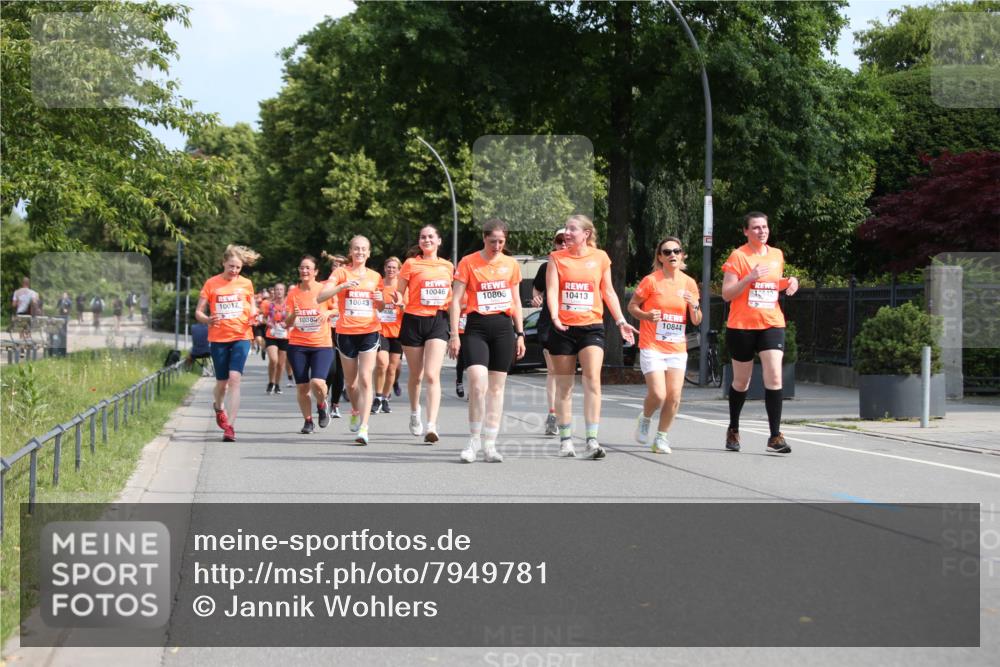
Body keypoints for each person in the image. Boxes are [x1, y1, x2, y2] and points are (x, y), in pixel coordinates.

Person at [546, 214, 638, 460]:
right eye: (566, 228)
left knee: (592, 380)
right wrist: (555, 317)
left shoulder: (599, 258)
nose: (567, 233)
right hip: (563, 329)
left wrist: (620, 321)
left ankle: (592, 440)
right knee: (564, 385)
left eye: (572, 229)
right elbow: (552, 290)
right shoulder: (556, 258)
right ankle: (566, 440)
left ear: (586, 234)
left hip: (592, 327)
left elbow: (608, 291)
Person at [721, 212, 798, 454]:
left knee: (774, 376)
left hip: (771, 323)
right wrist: (749, 278)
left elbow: (773, 284)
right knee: (741, 381)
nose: (761, 231)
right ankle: (733, 428)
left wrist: (790, 282)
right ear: (746, 231)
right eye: (755, 228)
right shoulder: (738, 256)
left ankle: (775, 436)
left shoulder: (776, 255)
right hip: (742, 326)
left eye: (764, 227)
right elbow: (727, 293)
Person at [449, 218, 526, 463]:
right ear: (484, 239)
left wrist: (521, 334)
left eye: (501, 241)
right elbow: (454, 301)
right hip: (476, 327)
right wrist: (453, 334)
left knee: (496, 388)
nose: (497, 246)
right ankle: (473, 440)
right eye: (493, 241)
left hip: (503, 328)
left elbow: (516, 302)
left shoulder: (511, 264)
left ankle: (490, 444)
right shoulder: (469, 262)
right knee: (477, 384)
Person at [627, 236, 702, 454]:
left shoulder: (688, 283)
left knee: (674, 396)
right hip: (652, 345)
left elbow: (696, 320)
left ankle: (661, 438)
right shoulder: (651, 281)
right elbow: (632, 306)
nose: (672, 255)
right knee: (658, 394)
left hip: (677, 347)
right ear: (660, 257)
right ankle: (646, 417)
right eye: (667, 252)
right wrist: (647, 315)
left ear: (683, 255)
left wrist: (694, 304)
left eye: (676, 251)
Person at [317, 236, 385, 445]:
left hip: (369, 330)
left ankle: (364, 428)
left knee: (366, 378)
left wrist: (381, 301)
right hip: (346, 332)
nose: (360, 252)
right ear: (351, 251)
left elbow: (381, 307)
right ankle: (355, 409)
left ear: (369, 252)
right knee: (352, 384)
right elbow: (321, 296)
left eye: (364, 249)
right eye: (356, 249)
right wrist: (341, 286)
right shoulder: (340, 273)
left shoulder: (375, 276)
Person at [194, 244, 261, 442]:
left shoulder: (246, 284)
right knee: (221, 383)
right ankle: (218, 406)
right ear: (223, 263)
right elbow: (198, 312)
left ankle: (230, 427)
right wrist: (207, 319)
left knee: (234, 378)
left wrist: (254, 315)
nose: (234, 271)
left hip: (241, 335)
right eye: (231, 266)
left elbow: (253, 307)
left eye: (238, 268)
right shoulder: (211, 283)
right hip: (218, 338)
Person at [396, 225, 454, 443]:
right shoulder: (411, 264)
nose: (426, 239)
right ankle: (414, 412)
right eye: (423, 237)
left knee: (432, 374)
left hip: (437, 321)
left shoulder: (448, 266)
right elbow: (400, 294)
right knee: (416, 375)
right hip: (413, 320)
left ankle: (431, 425)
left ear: (439, 241)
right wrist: (398, 301)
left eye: (431, 236)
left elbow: (453, 296)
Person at [285, 255, 336, 435]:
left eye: (308, 268)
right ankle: (308, 421)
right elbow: (287, 323)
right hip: (298, 345)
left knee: (317, 382)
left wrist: (328, 314)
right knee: (302, 387)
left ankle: (322, 404)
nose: (304, 271)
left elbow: (338, 308)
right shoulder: (293, 293)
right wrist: (294, 315)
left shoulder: (323, 290)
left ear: (315, 272)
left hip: (321, 344)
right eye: (302, 268)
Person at [531, 228, 569, 435]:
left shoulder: (582, 265)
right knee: (554, 371)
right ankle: (553, 415)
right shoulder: (546, 267)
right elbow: (536, 289)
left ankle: (565, 413)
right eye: (559, 241)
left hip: (575, 323)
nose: (563, 244)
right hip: (549, 324)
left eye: (566, 240)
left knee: (566, 374)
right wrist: (537, 297)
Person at [373, 256, 404, 414]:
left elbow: (409, 310)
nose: (391, 270)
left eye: (394, 267)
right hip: (381, 330)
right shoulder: (378, 286)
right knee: (381, 364)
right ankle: (377, 397)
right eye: (389, 267)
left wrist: (401, 304)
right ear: (384, 269)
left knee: (392, 369)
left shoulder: (403, 287)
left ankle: (385, 398)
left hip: (398, 332)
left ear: (399, 270)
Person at [322, 252, 348, 418]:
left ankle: (335, 404)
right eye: (334, 265)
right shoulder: (324, 285)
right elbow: (317, 303)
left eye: (341, 265)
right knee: (330, 370)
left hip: (345, 330)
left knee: (341, 371)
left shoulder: (351, 285)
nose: (337, 267)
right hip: (327, 331)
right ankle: (323, 398)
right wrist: (330, 312)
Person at [263, 283, 289, 395]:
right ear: (273, 291)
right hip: (271, 334)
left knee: (281, 364)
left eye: (281, 289)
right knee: (274, 360)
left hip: (284, 335)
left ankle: (277, 384)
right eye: (277, 289)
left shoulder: (288, 305)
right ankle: (270, 382)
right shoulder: (268, 304)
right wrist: (268, 322)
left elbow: (292, 318)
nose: (278, 291)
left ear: (284, 291)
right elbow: (262, 318)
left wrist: (286, 323)